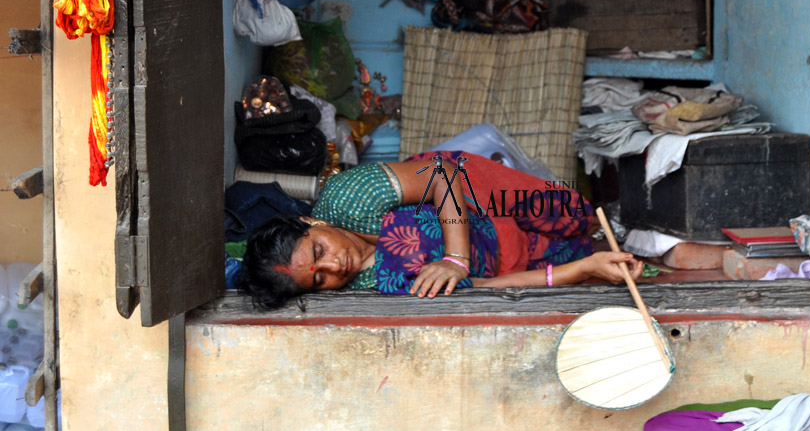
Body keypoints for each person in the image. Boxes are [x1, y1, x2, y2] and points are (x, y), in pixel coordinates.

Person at [241, 151, 643, 308]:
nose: (334, 266)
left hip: (471, 191)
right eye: (318, 279)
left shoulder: (350, 195)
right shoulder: (372, 288)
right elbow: (478, 289)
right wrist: (580, 271)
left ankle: (619, 216)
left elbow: (440, 176)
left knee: (571, 212)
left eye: (318, 251)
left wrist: (455, 258)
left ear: (311, 223)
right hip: (497, 257)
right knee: (586, 257)